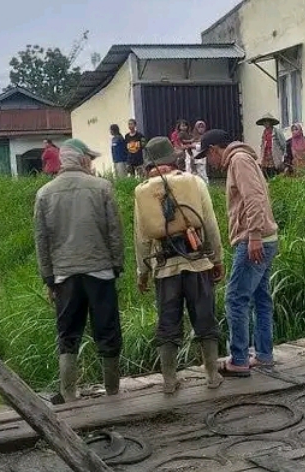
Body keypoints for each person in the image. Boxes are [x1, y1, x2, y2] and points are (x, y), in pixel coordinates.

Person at [34, 139, 125, 403]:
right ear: (83, 160)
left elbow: (42, 240)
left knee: (68, 334)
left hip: (64, 275)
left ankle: (69, 395)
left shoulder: (45, 193)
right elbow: (114, 232)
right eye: (90, 159)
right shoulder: (102, 188)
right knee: (107, 332)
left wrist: (48, 278)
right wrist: (116, 265)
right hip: (101, 271)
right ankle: (113, 394)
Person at [134, 136, 224, 394]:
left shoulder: (143, 192)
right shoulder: (194, 182)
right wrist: (217, 259)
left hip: (164, 268)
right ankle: (212, 376)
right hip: (197, 264)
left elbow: (141, 237)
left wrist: (143, 272)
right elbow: (209, 224)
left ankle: (169, 381)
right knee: (204, 318)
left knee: (168, 323)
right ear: (172, 159)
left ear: (148, 163)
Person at [193, 129, 279, 377]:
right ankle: (263, 354)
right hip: (266, 237)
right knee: (261, 298)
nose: (210, 163)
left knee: (236, 298)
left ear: (214, 150)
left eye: (207, 156)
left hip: (254, 239)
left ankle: (239, 359)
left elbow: (253, 197)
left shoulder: (238, 161)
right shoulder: (244, 158)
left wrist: (253, 234)